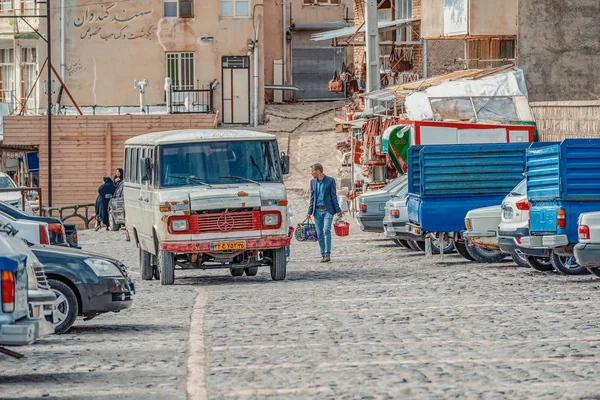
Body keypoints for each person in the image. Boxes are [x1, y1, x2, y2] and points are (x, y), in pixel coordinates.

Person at [307, 163, 343, 263]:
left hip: (328, 209)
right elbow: (312, 198)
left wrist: (338, 210)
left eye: (313, 171)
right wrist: (309, 211)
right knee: (319, 233)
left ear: (318, 171)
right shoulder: (312, 182)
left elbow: (333, 196)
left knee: (326, 230)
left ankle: (327, 254)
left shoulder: (330, 181)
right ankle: (323, 254)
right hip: (317, 211)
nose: (311, 173)